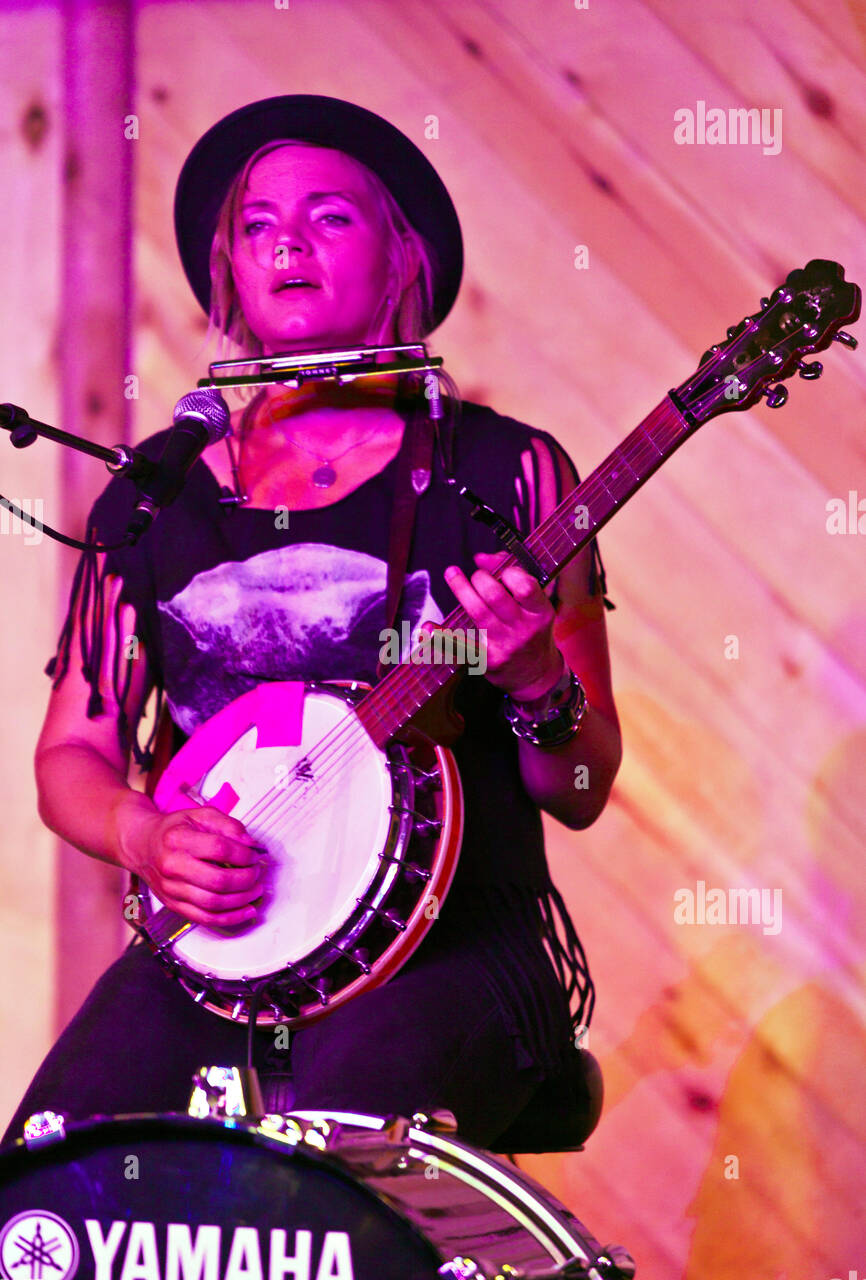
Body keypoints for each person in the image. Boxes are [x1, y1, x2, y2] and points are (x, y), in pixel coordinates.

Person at [2, 96, 621, 1151]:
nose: (286, 242)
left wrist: (530, 685)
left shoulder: (505, 477)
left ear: (399, 260)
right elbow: (71, 756)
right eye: (256, 226)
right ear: (229, 270)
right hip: (221, 956)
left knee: (324, 1176)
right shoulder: (158, 496)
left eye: (331, 217)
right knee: (59, 1184)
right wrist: (144, 835)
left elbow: (580, 790)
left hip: (458, 946)